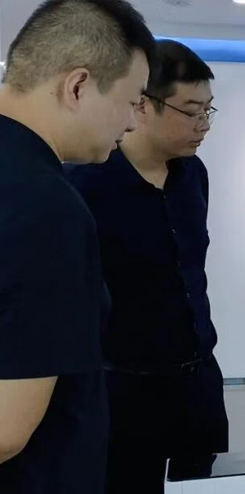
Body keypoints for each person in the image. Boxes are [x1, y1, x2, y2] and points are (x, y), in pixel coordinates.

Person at [0, 1, 153, 492]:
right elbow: (6, 429)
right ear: (78, 86)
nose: (132, 124)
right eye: (132, 101)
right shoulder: (46, 205)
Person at [64, 40, 225, 494]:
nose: (203, 125)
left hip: (199, 384)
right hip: (124, 391)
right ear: (143, 105)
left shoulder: (194, 176)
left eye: (209, 110)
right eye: (191, 111)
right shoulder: (85, 184)